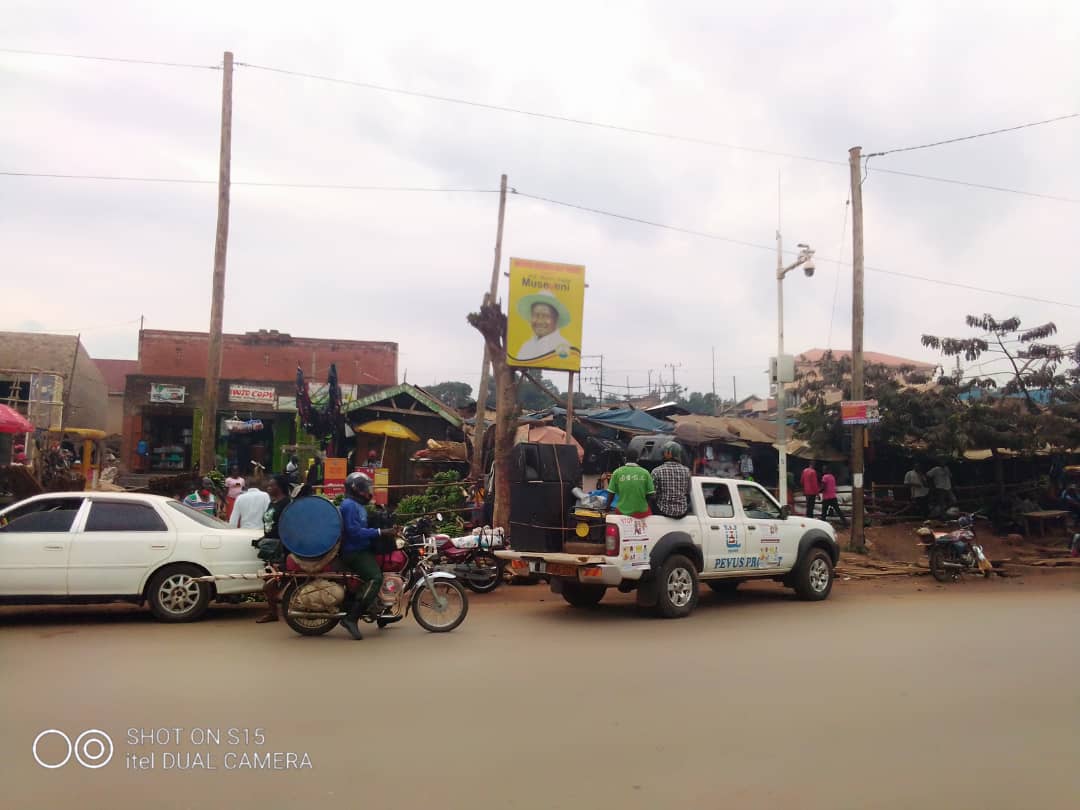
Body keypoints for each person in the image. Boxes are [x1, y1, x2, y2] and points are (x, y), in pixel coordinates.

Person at [338, 472, 397, 640]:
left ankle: (382, 613)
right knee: (375, 578)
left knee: (384, 568)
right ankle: (351, 618)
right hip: (354, 551)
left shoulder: (358, 505)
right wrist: (380, 532)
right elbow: (354, 532)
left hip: (363, 548)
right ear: (356, 489)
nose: (368, 493)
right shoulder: (349, 505)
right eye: (365, 489)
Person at [255, 475, 292, 623]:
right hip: (270, 547)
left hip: (280, 548)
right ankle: (273, 611)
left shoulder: (286, 503)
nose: (269, 487)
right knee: (269, 579)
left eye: (272, 485)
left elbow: (284, 526)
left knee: (271, 581)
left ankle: (275, 611)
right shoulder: (273, 503)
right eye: (268, 485)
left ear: (280, 487)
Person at [514, 290, 574, 363]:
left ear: (555, 319)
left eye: (545, 316)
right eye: (536, 315)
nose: (539, 321)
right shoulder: (526, 347)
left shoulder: (564, 347)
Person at [606, 447, 655, 518]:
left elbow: (611, 493)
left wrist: (607, 507)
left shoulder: (617, 472)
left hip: (621, 512)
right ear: (637, 459)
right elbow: (651, 495)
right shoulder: (645, 473)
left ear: (625, 459)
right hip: (641, 513)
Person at [651, 441, 691, 519]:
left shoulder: (656, 471)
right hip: (682, 512)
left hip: (663, 511)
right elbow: (688, 491)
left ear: (667, 454)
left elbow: (653, 494)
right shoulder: (687, 471)